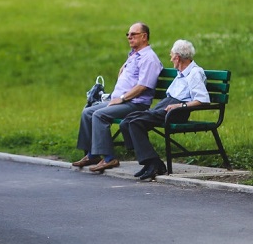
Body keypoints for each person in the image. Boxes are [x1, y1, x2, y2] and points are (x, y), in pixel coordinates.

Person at [73, 22, 163, 173]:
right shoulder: (134, 55)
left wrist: (121, 98)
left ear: (144, 36)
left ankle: (109, 158)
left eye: (133, 34)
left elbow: (143, 86)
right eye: (127, 34)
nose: (129, 37)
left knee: (99, 115)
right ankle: (93, 154)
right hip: (122, 100)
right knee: (87, 111)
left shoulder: (149, 58)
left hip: (135, 104)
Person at [120, 39, 210, 180]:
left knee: (136, 123)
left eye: (171, 55)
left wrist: (180, 106)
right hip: (167, 106)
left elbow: (202, 100)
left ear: (177, 57)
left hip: (176, 111)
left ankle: (153, 163)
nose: (170, 58)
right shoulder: (181, 72)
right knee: (127, 121)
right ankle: (150, 162)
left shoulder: (194, 73)